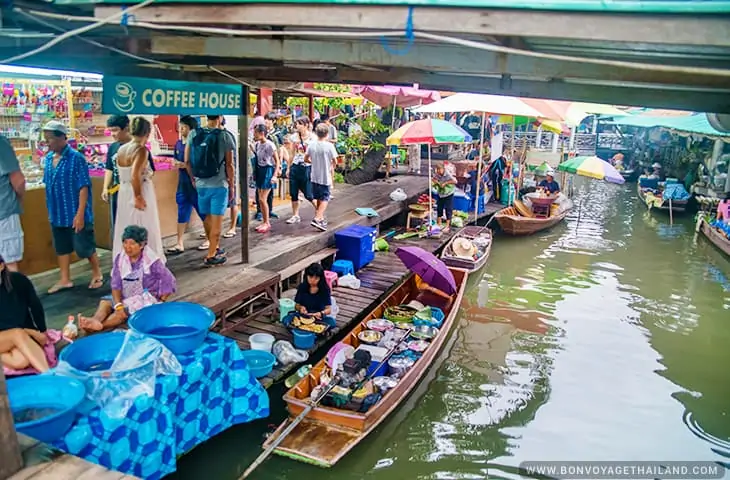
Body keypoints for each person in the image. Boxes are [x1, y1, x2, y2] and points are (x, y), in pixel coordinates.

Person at [42, 121, 104, 294]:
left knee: (84, 245)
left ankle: (97, 273)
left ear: (62, 138)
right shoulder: (48, 159)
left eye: (50, 139)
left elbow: (83, 186)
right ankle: (65, 279)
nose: (47, 142)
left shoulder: (76, 158)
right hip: (57, 212)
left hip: (75, 210)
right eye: (45, 139)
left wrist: (80, 214)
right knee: (61, 246)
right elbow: (48, 185)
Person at [80, 225, 176, 333]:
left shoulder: (152, 261)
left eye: (132, 243)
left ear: (142, 245)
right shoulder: (120, 259)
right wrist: (118, 304)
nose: (127, 247)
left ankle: (100, 326)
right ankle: (94, 320)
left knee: (121, 314)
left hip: (144, 298)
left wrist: (161, 301)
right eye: (125, 243)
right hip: (125, 294)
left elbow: (169, 280)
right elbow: (116, 284)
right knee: (105, 303)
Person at [112, 117, 165, 263]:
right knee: (144, 225)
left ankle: (125, 260)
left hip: (124, 190)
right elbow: (135, 175)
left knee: (126, 225)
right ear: (147, 133)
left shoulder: (121, 149)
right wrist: (138, 196)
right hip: (138, 190)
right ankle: (147, 261)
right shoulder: (141, 150)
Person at [186, 115, 235, 266]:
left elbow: (187, 161)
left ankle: (214, 246)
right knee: (217, 221)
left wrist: (193, 179)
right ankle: (211, 254)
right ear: (220, 117)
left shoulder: (194, 134)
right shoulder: (225, 136)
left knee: (207, 218)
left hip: (200, 184)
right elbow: (229, 164)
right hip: (219, 184)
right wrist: (232, 185)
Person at [102, 115, 156, 235]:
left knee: (132, 223)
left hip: (129, 189)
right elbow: (111, 168)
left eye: (115, 130)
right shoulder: (118, 148)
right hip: (125, 190)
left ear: (127, 128)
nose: (112, 134)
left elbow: (145, 171)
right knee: (126, 223)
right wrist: (105, 187)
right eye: (110, 131)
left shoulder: (134, 149)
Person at [0, 254, 50, 372]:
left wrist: (42, 330)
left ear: (1, 266)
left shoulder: (18, 280)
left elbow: (35, 306)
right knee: (17, 334)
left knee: (21, 361)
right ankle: (49, 374)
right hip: (10, 335)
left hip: (18, 335)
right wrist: (27, 332)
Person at [167, 115, 204, 255]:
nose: (181, 129)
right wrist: (176, 164)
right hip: (182, 183)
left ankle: (209, 238)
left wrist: (185, 165)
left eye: (184, 127)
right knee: (182, 212)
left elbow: (198, 164)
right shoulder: (177, 143)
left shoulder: (196, 144)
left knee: (202, 211)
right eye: (180, 126)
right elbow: (175, 160)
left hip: (195, 183)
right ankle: (179, 242)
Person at [305, 123, 338, 231]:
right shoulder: (329, 146)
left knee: (318, 197)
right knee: (325, 198)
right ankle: (317, 217)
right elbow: (335, 160)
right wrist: (331, 166)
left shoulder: (311, 145)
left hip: (314, 175)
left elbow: (306, 159)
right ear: (327, 134)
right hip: (325, 176)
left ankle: (320, 219)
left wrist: (313, 162)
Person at [0, 134, 25, 271]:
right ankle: (12, 292)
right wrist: (19, 198)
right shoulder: (1, 142)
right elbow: (18, 181)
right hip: (4, 210)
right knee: (9, 262)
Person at [283, 263, 334, 328]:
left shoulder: (325, 289)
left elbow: (328, 309)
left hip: (318, 316)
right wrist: (301, 308)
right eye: (310, 277)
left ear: (320, 278)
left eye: (316, 278)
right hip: (303, 315)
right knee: (285, 320)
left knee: (332, 322)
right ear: (306, 276)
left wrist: (321, 313)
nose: (312, 280)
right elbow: (296, 305)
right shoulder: (302, 287)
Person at [286, 116, 315, 224]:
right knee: (294, 192)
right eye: (297, 124)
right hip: (295, 165)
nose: (297, 126)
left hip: (306, 166)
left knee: (308, 193)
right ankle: (295, 215)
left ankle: (319, 213)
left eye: (299, 124)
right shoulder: (294, 137)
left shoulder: (312, 138)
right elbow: (292, 153)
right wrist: (289, 167)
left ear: (306, 125)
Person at [252, 124, 281, 233]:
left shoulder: (270, 145)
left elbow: (277, 161)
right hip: (260, 170)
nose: (254, 135)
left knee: (262, 199)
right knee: (260, 198)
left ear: (262, 133)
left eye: (256, 132)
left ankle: (267, 222)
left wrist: (274, 175)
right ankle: (265, 220)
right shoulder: (257, 144)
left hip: (268, 171)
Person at [220, 117, 240, 240]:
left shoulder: (227, 136)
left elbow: (231, 161)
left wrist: (231, 177)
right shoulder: (215, 135)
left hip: (229, 173)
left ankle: (232, 227)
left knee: (232, 201)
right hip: (220, 175)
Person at [433, 163, 456, 231]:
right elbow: (433, 179)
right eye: (437, 170)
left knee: (448, 209)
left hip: (449, 193)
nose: (439, 171)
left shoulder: (447, 174)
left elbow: (455, 181)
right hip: (441, 193)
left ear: (443, 169)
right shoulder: (437, 174)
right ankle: (439, 223)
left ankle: (447, 225)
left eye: (440, 169)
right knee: (439, 207)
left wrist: (445, 183)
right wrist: (436, 182)